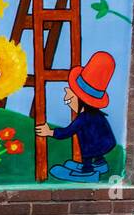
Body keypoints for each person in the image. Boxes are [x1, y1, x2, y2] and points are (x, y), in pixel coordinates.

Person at [36, 50, 117, 182]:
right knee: (92, 144)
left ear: (81, 99)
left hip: (94, 146)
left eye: (71, 99)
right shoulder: (96, 115)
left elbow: (67, 132)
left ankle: (88, 171)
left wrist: (49, 132)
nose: (69, 102)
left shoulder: (83, 119)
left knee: (88, 148)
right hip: (106, 143)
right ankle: (100, 163)